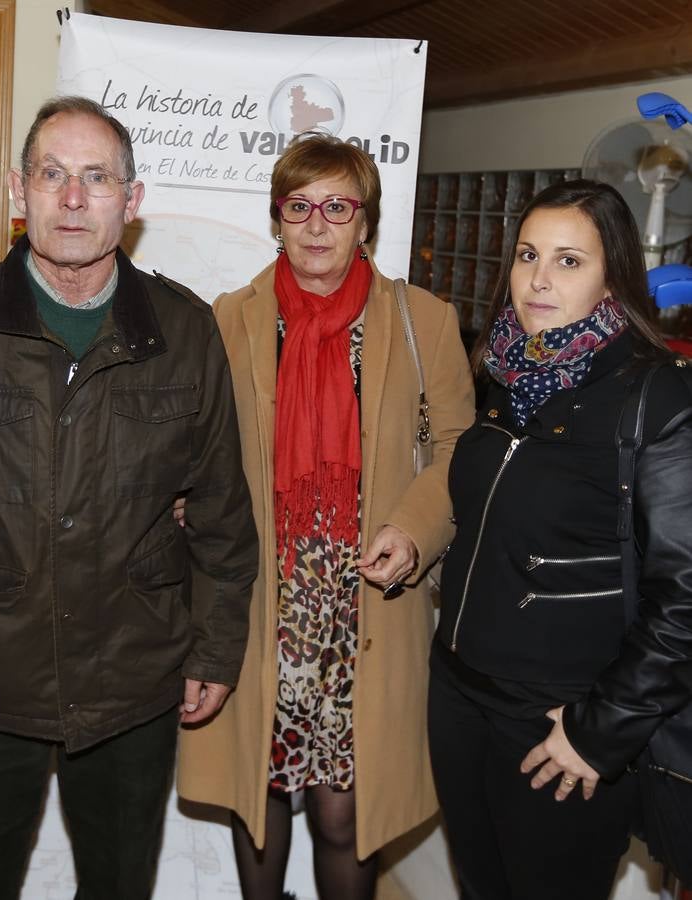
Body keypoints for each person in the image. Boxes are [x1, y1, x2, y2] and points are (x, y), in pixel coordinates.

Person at [0, 95, 258, 900]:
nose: (75, 198)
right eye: (54, 175)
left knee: (119, 880)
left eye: (97, 178)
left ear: (133, 198)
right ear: (20, 192)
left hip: (135, 672)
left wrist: (215, 649)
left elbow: (224, 515)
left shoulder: (185, 331)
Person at [177, 133, 475, 900]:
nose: (317, 224)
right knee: (261, 798)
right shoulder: (230, 320)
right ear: (277, 219)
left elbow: (456, 450)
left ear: (365, 223)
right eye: (299, 206)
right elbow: (195, 448)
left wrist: (411, 529)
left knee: (346, 814)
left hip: (364, 602)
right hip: (260, 599)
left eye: (337, 207)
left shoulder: (425, 320)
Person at [428, 178, 692, 900]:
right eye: (526, 255)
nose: (538, 278)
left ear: (614, 277)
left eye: (569, 261)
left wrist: (598, 731)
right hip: (459, 696)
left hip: (557, 724)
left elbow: (685, 596)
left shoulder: (658, 398)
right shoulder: (509, 373)